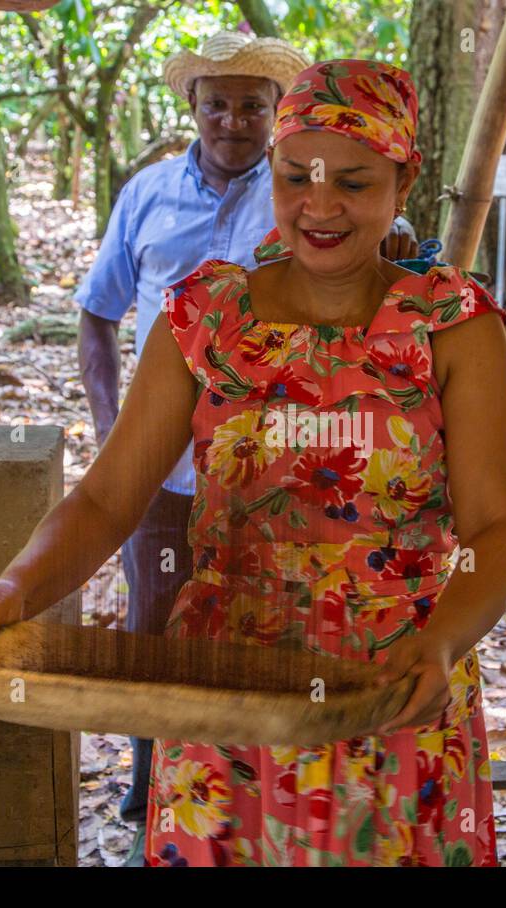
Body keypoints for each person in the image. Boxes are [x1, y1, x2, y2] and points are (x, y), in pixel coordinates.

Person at [0, 58, 506, 866]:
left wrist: (446, 640)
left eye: (353, 183)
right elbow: (109, 500)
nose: (320, 206)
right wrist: (15, 586)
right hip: (225, 686)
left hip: (393, 686)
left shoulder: (453, 328)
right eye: (296, 178)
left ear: (404, 179)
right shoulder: (203, 316)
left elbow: (494, 526)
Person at [73, 32, 417, 861]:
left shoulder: (312, 196)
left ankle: (260, 787)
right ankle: (157, 780)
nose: (233, 120)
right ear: (191, 108)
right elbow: (98, 310)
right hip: (168, 463)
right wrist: (116, 426)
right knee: (160, 623)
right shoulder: (149, 197)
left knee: (261, 638)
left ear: (277, 117)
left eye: (252, 107)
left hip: (287, 478)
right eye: (217, 103)